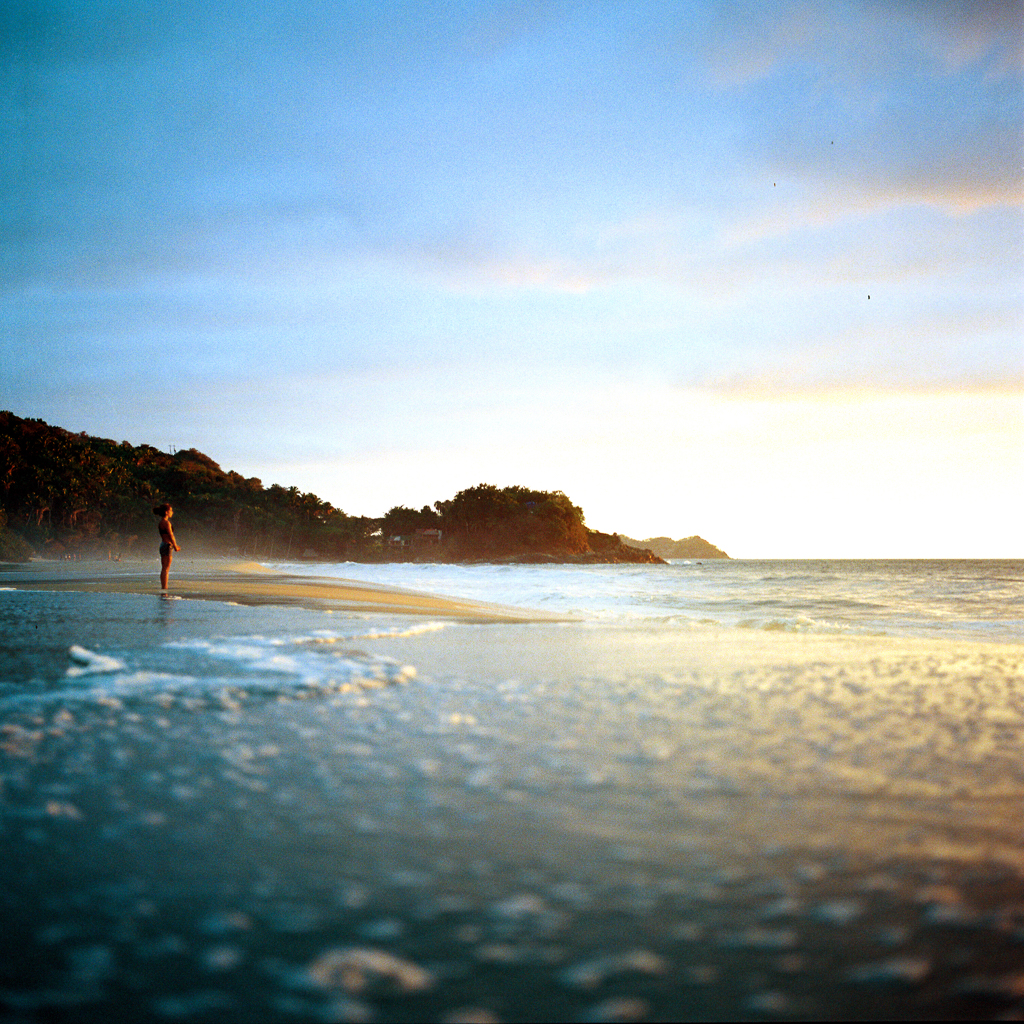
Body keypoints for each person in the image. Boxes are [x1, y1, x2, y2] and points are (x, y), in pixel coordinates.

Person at [153, 503, 180, 591]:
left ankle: (164, 587)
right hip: (167, 545)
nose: (172, 512)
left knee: (164, 568)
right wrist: (175, 546)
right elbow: (171, 535)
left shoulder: (161, 522)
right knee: (166, 568)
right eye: (171, 510)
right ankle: (164, 587)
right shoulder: (166, 523)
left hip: (163, 545)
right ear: (166, 512)